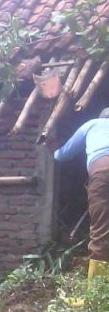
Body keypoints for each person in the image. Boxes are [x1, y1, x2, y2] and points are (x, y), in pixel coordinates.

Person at [55, 107, 109, 282]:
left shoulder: (92, 124)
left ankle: (97, 289)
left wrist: (52, 151)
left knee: (100, 226)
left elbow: (63, 154)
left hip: (102, 170)